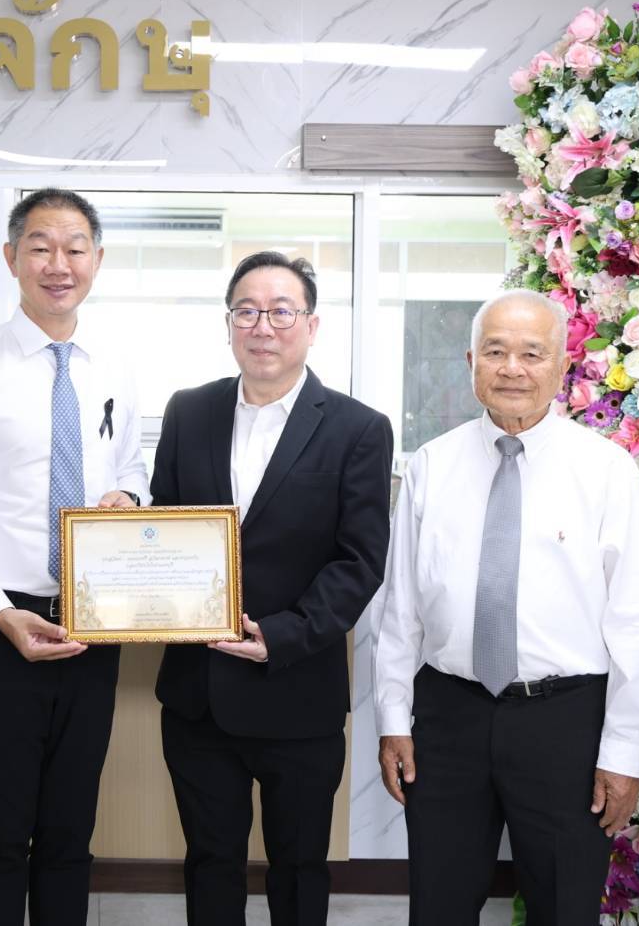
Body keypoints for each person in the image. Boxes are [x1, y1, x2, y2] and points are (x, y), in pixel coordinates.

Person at [374, 288, 639, 926]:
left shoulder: (607, 470)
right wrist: (394, 717)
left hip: (564, 720)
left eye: (532, 353)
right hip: (448, 715)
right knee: (439, 904)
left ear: (562, 366)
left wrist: (622, 753)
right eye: (497, 351)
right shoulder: (431, 466)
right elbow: (402, 609)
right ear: (471, 360)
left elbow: (637, 626)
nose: (513, 368)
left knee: (564, 906)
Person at [0, 188, 148, 926]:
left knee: (71, 831)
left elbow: (134, 466)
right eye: (41, 246)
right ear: (11, 257)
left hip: (95, 622)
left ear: (98, 261)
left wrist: (131, 503)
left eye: (75, 247)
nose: (59, 263)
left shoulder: (112, 366)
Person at [149, 251, 394, 926]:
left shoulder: (358, 429)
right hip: (198, 696)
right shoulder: (188, 410)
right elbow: (168, 529)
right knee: (210, 861)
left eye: (281, 311)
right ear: (228, 324)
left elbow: (360, 560)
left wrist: (280, 635)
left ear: (311, 326)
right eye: (247, 311)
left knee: (300, 867)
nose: (264, 326)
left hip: (298, 693)